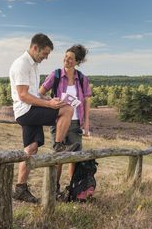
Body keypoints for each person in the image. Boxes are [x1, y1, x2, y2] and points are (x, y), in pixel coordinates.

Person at [9, 33, 77, 203]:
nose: (46, 57)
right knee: (67, 109)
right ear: (34, 48)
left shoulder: (32, 65)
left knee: (31, 148)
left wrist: (48, 100)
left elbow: (33, 94)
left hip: (29, 109)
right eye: (45, 53)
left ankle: (20, 188)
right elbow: (23, 95)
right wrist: (49, 105)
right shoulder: (22, 64)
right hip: (26, 111)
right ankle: (59, 145)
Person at [39, 44, 92, 197]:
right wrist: (51, 101)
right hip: (59, 122)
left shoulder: (82, 79)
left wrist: (87, 122)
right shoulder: (55, 75)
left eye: (70, 58)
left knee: (74, 157)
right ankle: (54, 189)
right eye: (65, 57)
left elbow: (87, 101)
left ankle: (72, 188)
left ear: (77, 61)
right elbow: (40, 93)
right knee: (58, 157)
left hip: (76, 123)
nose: (66, 60)